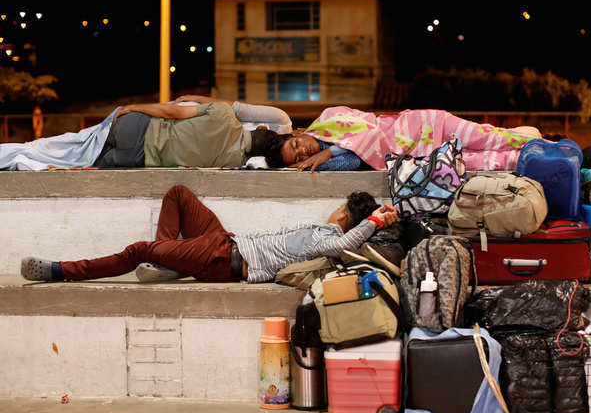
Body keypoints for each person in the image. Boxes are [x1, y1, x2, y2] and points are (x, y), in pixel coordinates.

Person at [20, 184, 398, 283]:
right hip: (226, 241)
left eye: (339, 208)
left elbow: (348, 242)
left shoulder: (330, 237)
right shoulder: (322, 230)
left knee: (137, 250)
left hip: (224, 260)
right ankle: (165, 257)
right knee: (178, 195)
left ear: (345, 215)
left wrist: (376, 221)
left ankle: (60, 271)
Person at [0, 99, 290, 171]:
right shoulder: (229, 164)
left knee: (68, 143)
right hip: (136, 158)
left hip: (136, 127)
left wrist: (132, 107)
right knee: (67, 161)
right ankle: (19, 159)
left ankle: (17, 153)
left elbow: (172, 111)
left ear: (260, 129)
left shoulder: (223, 114)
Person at [260, 106, 542, 172]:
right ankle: (544, 162)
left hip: (426, 126)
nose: (303, 150)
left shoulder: (329, 116)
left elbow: (369, 133)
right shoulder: (323, 164)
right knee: (496, 162)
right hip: (424, 161)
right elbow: (357, 160)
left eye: (296, 144)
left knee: (492, 139)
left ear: (296, 133)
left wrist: (327, 152)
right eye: (298, 157)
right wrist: (326, 158)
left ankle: (550, 149)